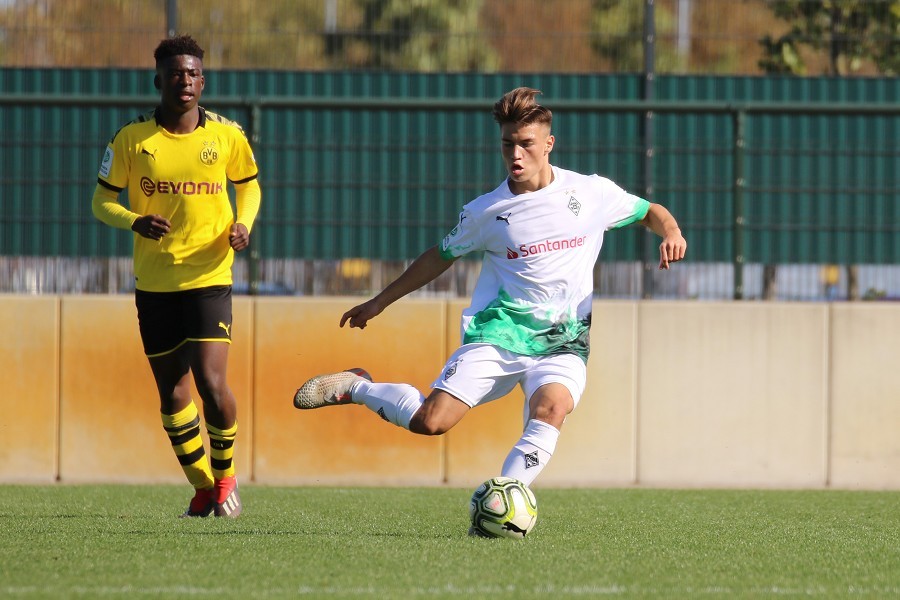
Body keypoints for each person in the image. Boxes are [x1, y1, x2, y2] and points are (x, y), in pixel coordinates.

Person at [294, 87, 685, 491]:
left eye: (526, 144)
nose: (516, 155)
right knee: (431, 422)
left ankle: (505, 499)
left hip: (563, 342)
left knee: (551, 409)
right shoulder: (486, 211)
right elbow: (439, 256)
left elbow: (648, 212)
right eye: (508, 144)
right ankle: (358, 385)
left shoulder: (589, 193)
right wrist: (379, 301)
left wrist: (671, 231)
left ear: (549, 144)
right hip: (498, 336)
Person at [92, 35, 261, 518]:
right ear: (158, 80)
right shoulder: (132, 138)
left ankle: (226, 475)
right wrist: (133, 220)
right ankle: (203, 485)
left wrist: (243, 224)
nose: (183, 81)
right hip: (155, 284)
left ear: (202, 81)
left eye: (191, 74)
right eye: (174, 73)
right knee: (172, 393)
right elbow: (100, 201)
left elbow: (249, 188)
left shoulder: (227, 134)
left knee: (211, 383)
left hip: (209, 275)